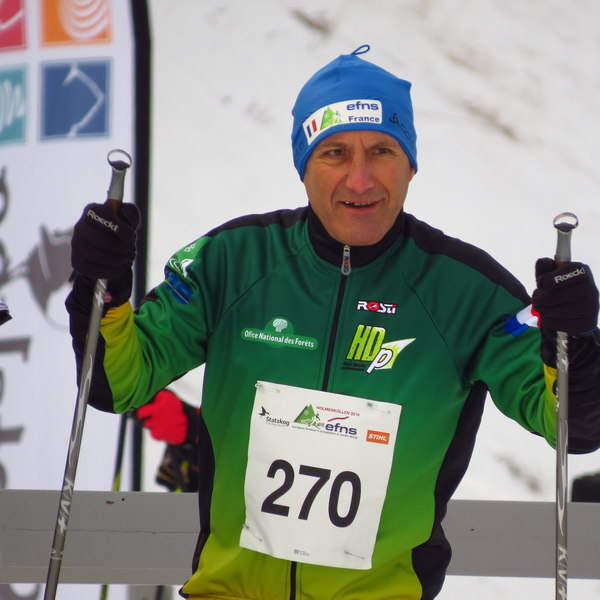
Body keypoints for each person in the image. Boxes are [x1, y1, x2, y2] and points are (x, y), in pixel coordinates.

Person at [67, 45, 600, 600]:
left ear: (411, 165)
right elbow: (115, 383)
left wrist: (576, 343)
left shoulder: (466, 291)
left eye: (382, 151)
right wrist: (102, 289)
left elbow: (575, 428)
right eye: (335, 153)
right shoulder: (233, 261)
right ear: (304, 166)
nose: (360, 180)